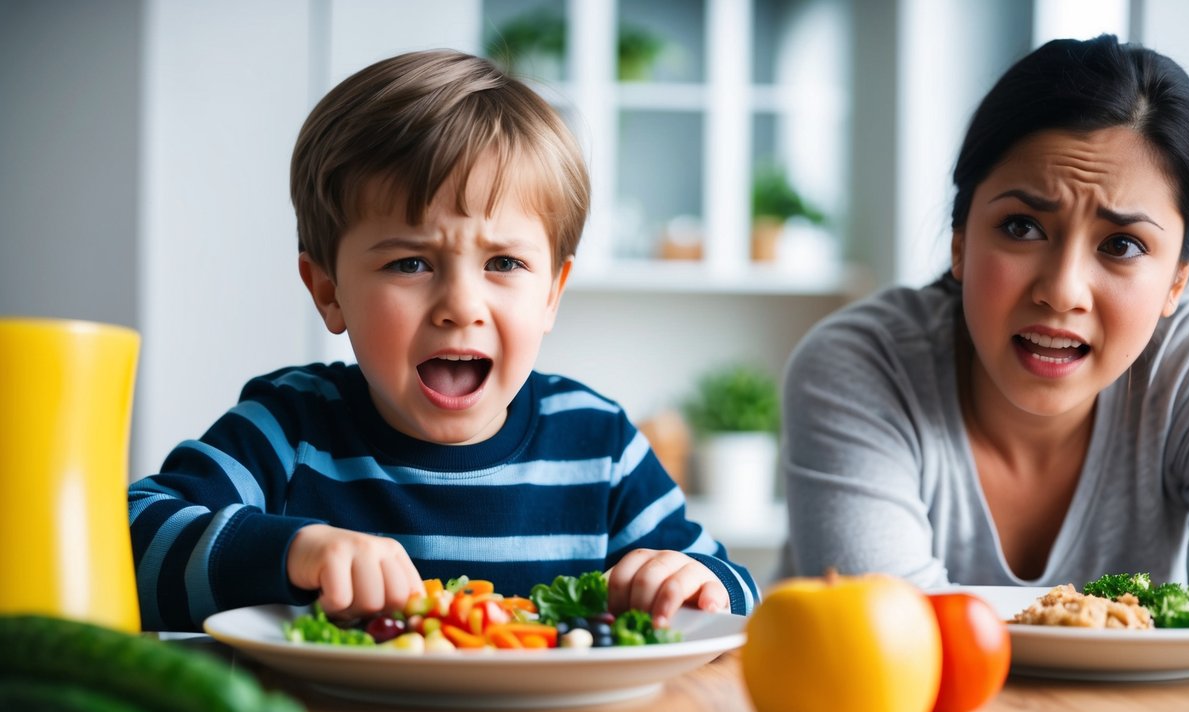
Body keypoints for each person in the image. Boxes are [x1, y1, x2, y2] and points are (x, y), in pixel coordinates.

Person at [129, 49, 758, 631]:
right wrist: (295, 550)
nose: (461, 307)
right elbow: (128, 543)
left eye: (504, 264)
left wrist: (699, 582)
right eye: (410, 264)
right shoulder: (288, 431)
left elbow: (734, 592)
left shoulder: (599, 446)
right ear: (328, 291)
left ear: (552, 294)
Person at [782, 35, 1189, 589]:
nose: (1062, 293)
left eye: (1122, 245)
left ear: (1177, 280)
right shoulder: (864, 366)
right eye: (1022, 227)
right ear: (960, 243)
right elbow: (891, 644)